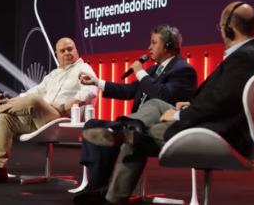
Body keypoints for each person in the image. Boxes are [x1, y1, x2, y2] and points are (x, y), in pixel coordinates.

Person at [82, 2, 254, 205]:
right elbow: (225, 99)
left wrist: (179, 115)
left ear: (229, 28)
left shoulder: (242, 59)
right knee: (153, 107)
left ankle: (113, 196)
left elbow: (220, 102)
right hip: (211, 122)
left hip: (215, 133)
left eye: (220, 28)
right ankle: (129, 127)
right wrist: (189, 106)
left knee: (135, 140)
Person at [74, 25, 197, 205]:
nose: (149, 47)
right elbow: (127, 90)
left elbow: (162, 95)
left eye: (154, 42)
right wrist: (97, 82)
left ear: (168, 45)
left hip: (159, 127)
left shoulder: (184, 70)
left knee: (138, 122)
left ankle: (129, 127)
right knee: (93, 124)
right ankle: (96, 186)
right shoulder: (152, 71)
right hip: (137, 125)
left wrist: (139, 71)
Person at [0, 37, 98, 183]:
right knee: (6, 118)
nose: (67, 53)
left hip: (63, 120)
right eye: (62, 51)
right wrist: (10, 101)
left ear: (77, 51)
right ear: (57, 54)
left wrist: (64, 106)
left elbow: (91, 91)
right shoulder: (53, 74)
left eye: (70, 49)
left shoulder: (83, 69)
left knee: (35, 101)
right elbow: (33, 92)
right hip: (44, 120)